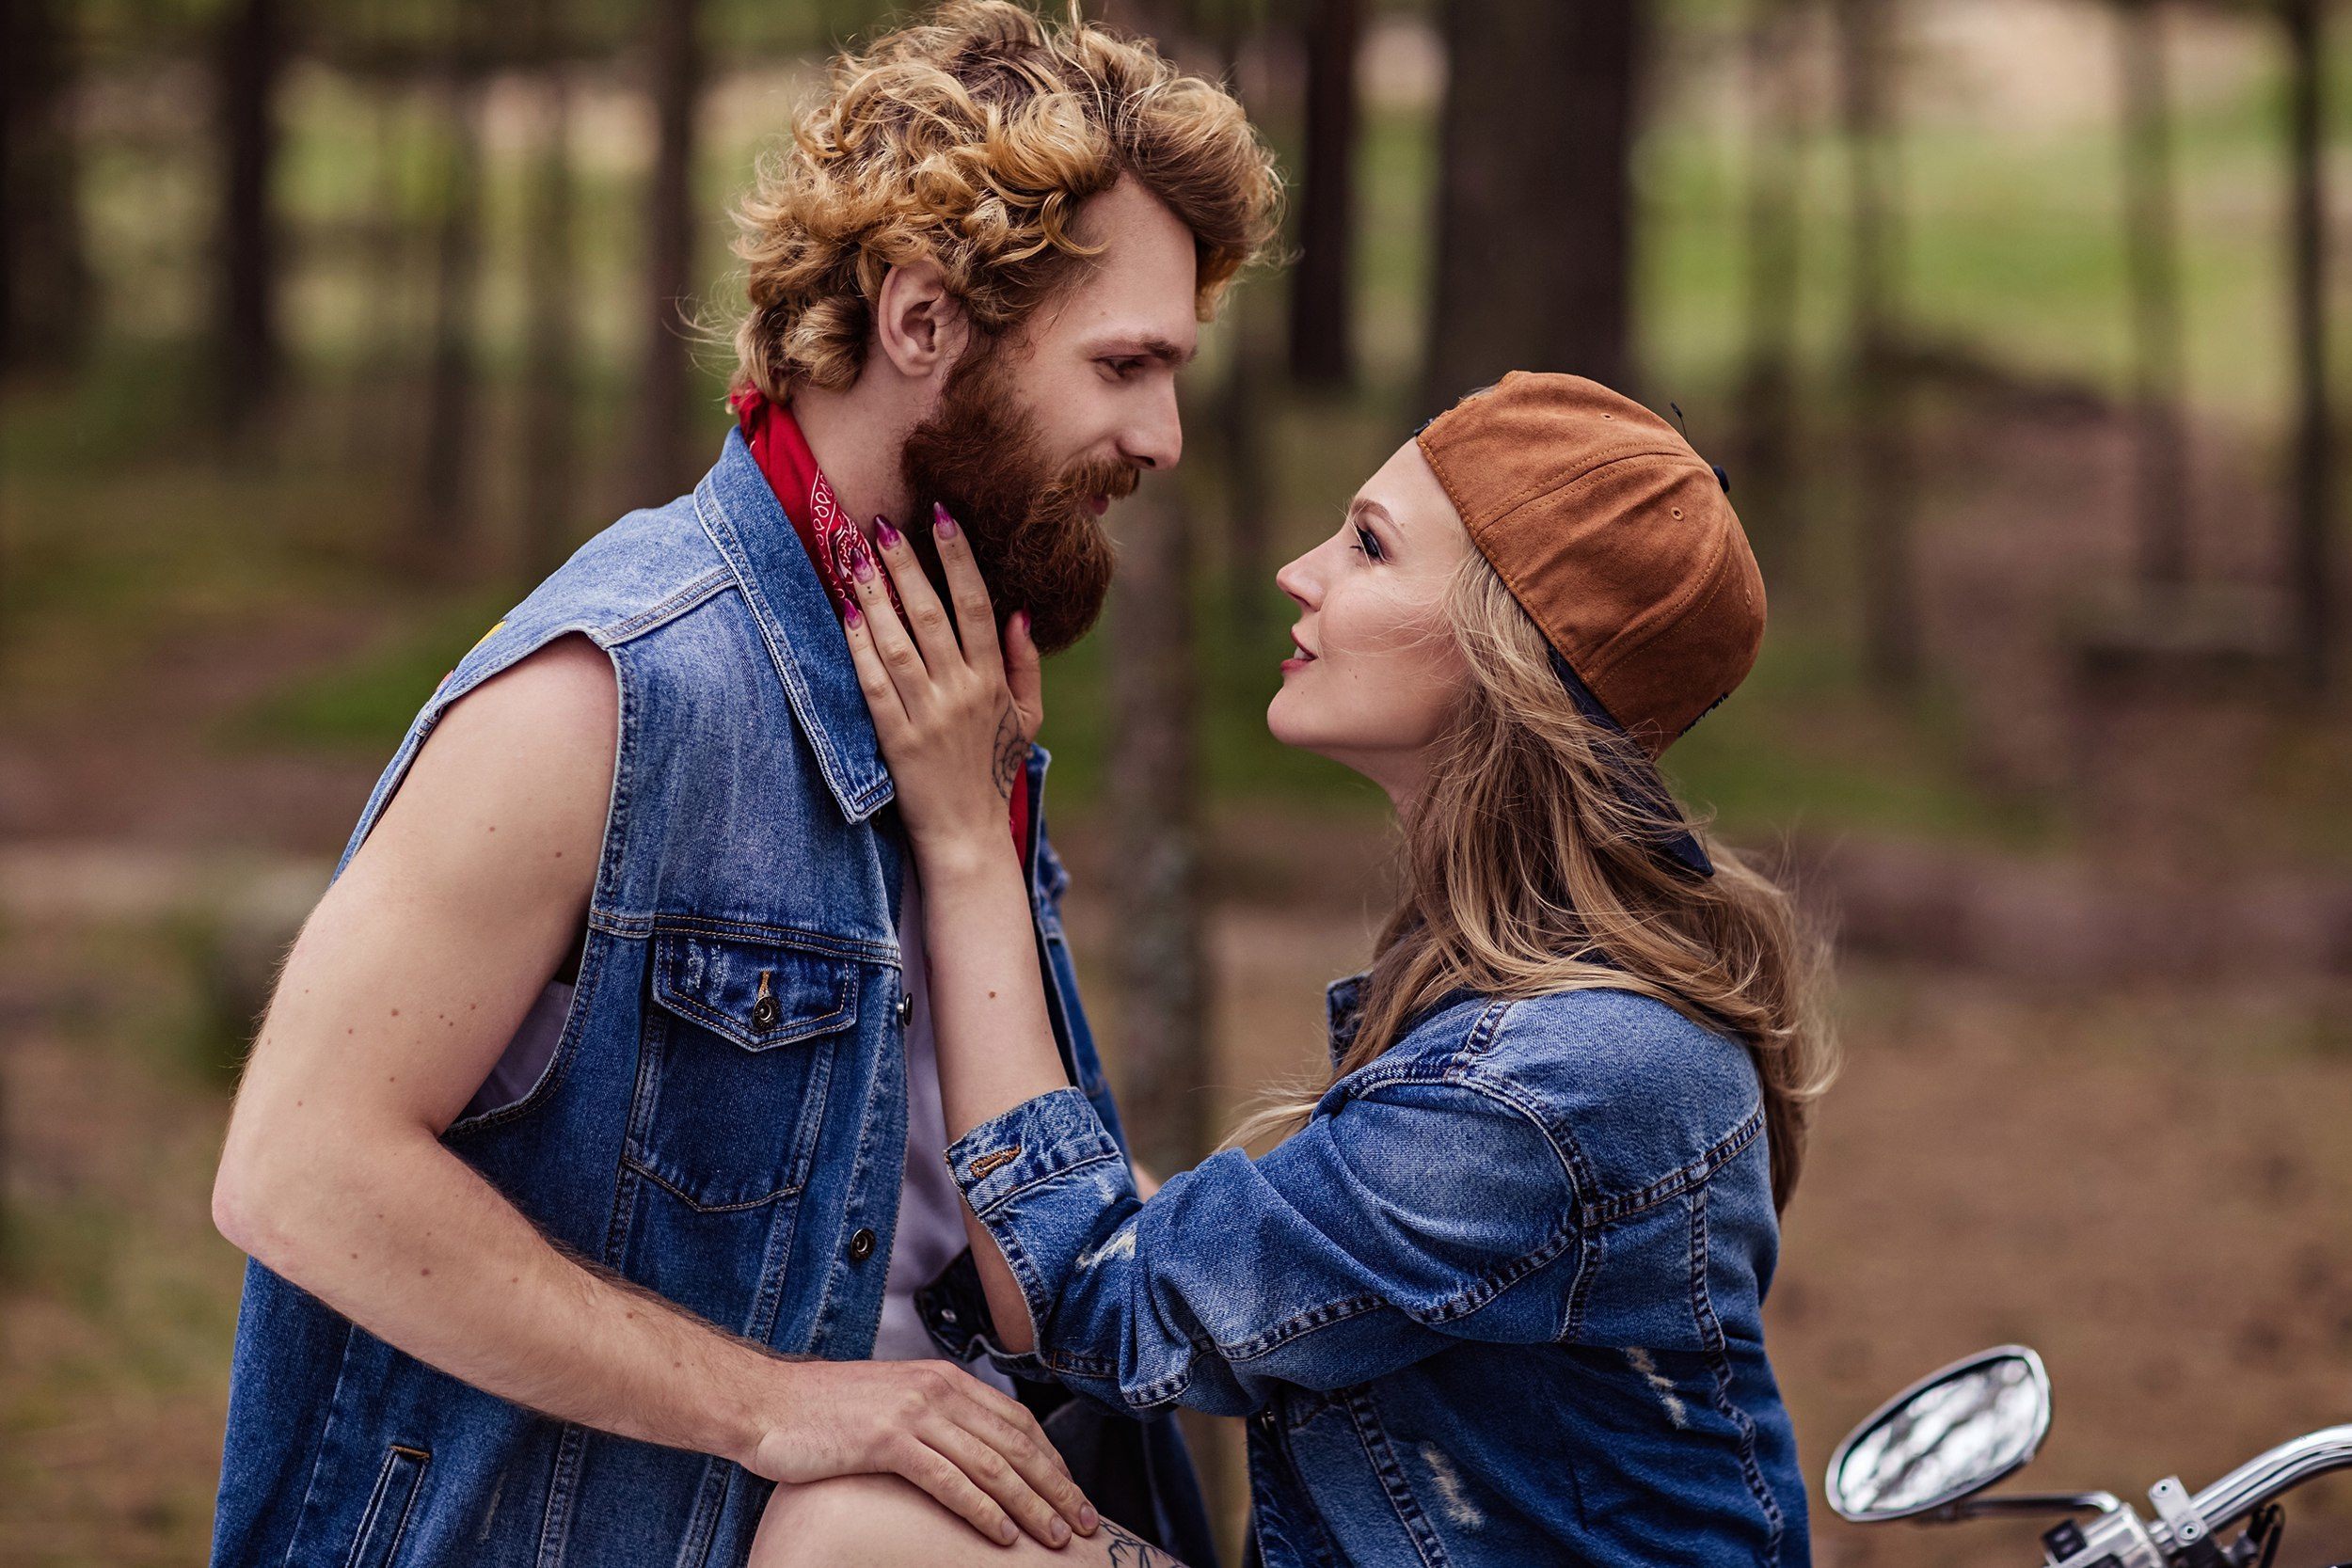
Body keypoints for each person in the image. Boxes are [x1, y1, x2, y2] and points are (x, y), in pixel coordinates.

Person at [204, 5, 1280, 1563]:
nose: (1163, 436)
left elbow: (946, 1211)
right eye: (1124, 365)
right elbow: (299, 1168)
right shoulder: (611, 693)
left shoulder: (948, 679)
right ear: (923, 321)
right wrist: (771, 1403)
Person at [767, 372, 1838, 1566]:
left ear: (1503, 651)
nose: (1297, 570)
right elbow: (1212, 1260)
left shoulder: (1551, 1078)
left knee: (841, 1534)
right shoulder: (1533, 1008)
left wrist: (971, 835)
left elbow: (1084, 1292)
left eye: (1368, 546)